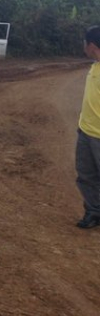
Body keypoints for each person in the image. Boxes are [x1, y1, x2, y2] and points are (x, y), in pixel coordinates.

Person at [74, 26, 100, 229]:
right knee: (86, 176)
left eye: (84, 43)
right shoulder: (95, 65)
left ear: (91, 46)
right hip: (86, 132)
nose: (83, 47)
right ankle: (94, 212)